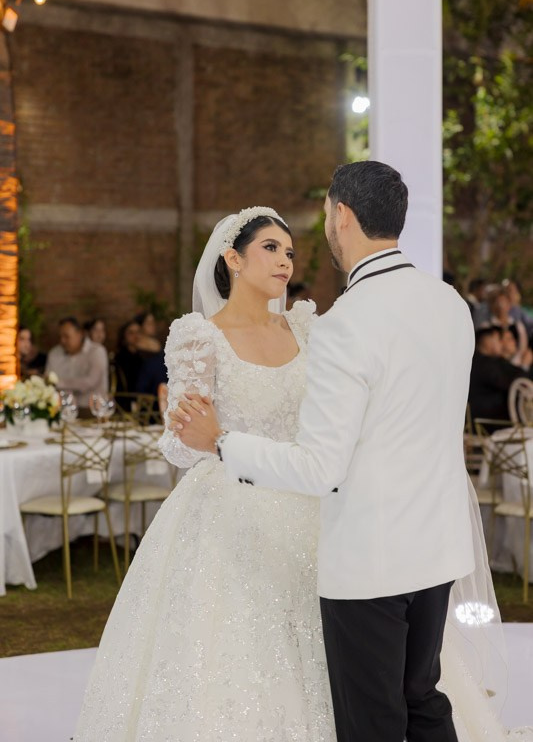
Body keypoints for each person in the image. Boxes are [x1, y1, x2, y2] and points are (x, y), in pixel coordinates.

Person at [172, 163, 533, 742]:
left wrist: (220, 441)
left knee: (374, 721)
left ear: (342, 215)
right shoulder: (449, 304)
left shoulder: (346, 322)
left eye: (323, 217)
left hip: (372, 557)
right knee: (424, 698)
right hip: (439, 544)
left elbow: (320, 467)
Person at [74, 207, 335, 741]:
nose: (285, 261)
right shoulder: (200, 337)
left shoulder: (305, 327)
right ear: (233, 259)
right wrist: (190, 427)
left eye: (289, 252)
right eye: (270, 248)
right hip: (229, 507)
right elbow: (179, 445)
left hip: (308, 495)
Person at [469, 325, 532, 423]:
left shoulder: (486, 361)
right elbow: (513, 384)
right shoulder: (482, 363)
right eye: (498, 339)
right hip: (488, 422)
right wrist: (525, 365)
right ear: (487, 340)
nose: (501, 343)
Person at [45, 317, 108, 408]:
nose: (62, 340)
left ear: (80, 334)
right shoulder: (54, 353)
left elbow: (90, 382)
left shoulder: (97, 351)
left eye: (66, 336)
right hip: (62, 409)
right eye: (60, 337)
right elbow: (49, 382)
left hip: (92, 409)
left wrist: (58, 383)